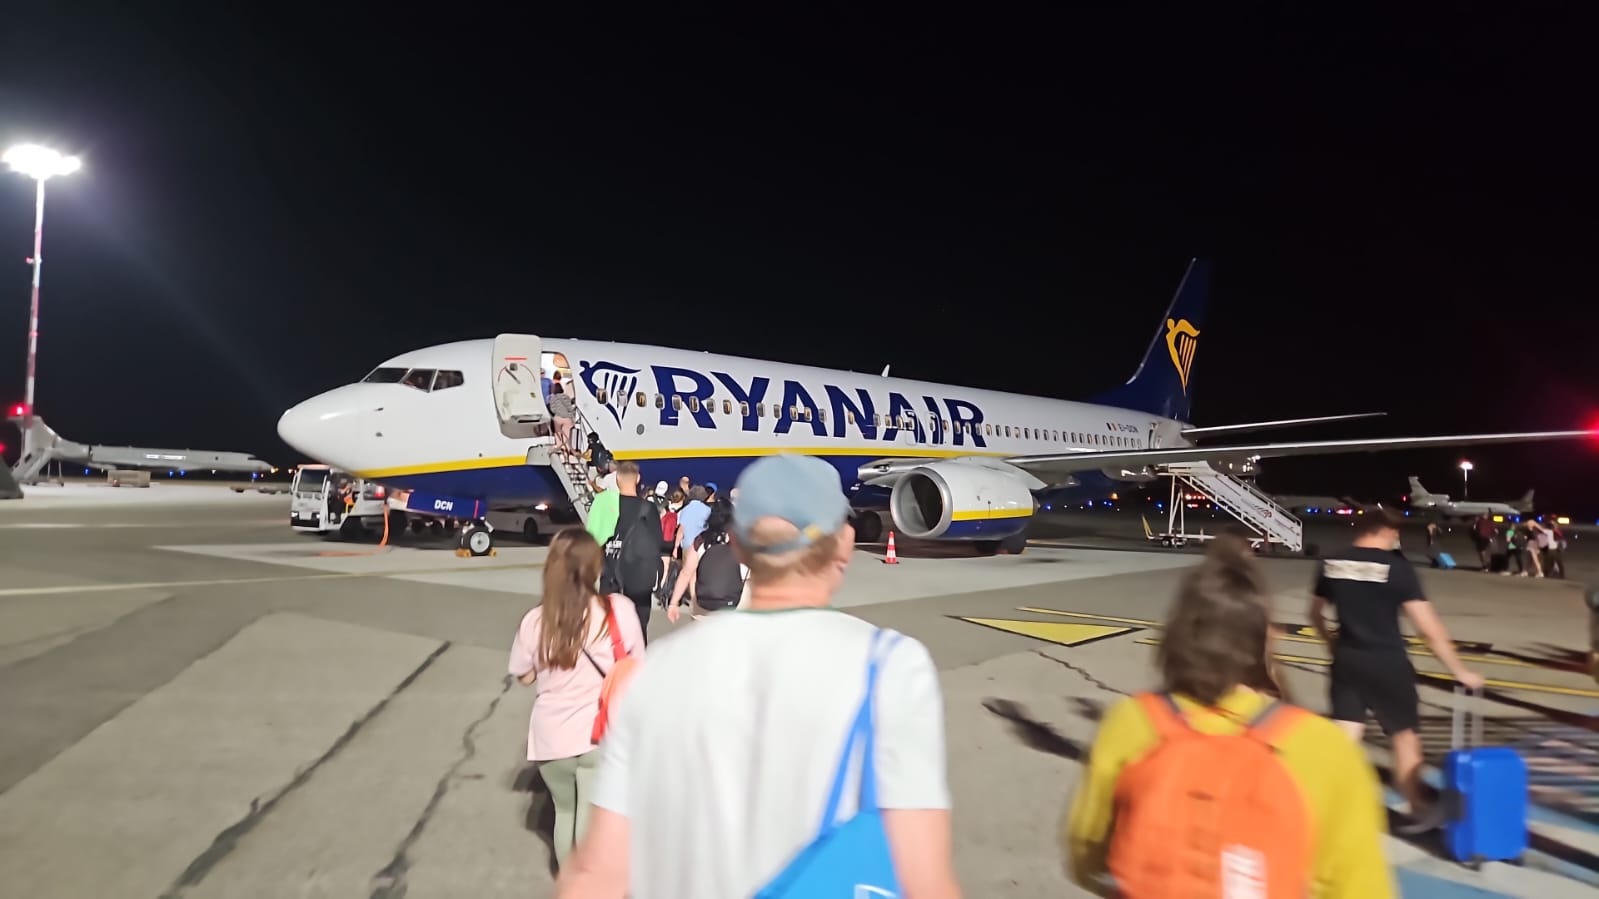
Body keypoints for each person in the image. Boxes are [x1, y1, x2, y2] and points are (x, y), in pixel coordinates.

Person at [555, 454, 960, 899]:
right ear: (844, 544)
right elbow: (924, 877)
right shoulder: (892, 668)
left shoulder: (653, 674)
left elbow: (597, 875)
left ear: (739, 546)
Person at [1065, 535, 1394, 898]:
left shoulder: (1132, 722)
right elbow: (1362, 888)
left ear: (1177, 636)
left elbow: (1085, 857)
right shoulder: (1320, 746)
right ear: (1262, 642)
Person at [1310, 506, 1483, 834]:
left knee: (1345, 738)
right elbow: (1428, 629)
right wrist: (1459, 670)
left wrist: (1331, 643)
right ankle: (1417, 808)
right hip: (1387, 663)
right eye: (1395, 534)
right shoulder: (1397, 568)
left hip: (1347, 660)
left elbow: (1315, 613)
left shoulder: (1331, 563)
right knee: (1404, 738)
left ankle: (1327, 809)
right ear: (1387, 532)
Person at [508, 529, 647, 870]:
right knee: (589, 815)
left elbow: (523, 676)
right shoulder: (618, 610)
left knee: (564, 812)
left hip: (552, 736)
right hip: (600, 732)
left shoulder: (536, 620)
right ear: (594, 568)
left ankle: (569, 881)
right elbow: (638, 665)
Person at [665, 501, 749, 621]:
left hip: (704, 605)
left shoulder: (701, 540)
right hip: (735, 605)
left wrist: (673, 603)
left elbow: (686, 573)